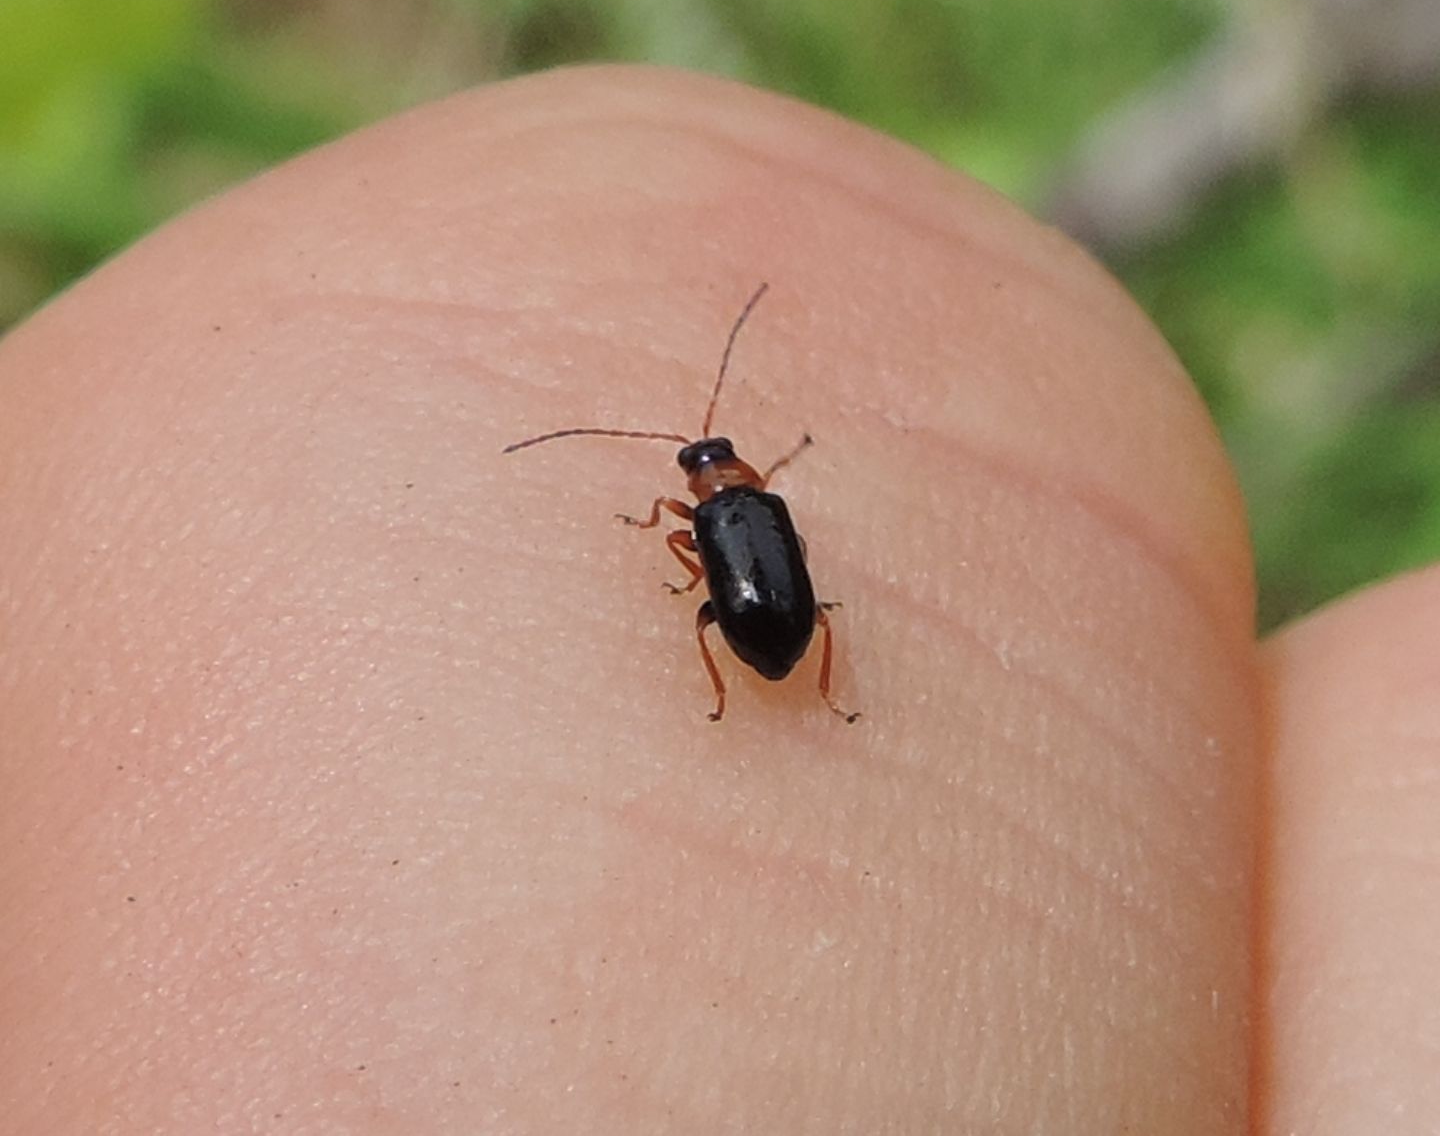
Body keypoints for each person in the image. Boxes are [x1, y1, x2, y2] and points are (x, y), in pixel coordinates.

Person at [1, 65, 1432, 1133]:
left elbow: (731, 569)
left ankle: (747, 683)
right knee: (748, 616)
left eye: (697, 473)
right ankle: (767, 683)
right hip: (783, 631)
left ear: (712, 480)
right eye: (703, 477)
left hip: (769, 635)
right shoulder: (752, 506)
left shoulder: (723, 519)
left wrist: (720, 596)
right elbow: (760, 566)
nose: (702, 483)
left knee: (718, 618)